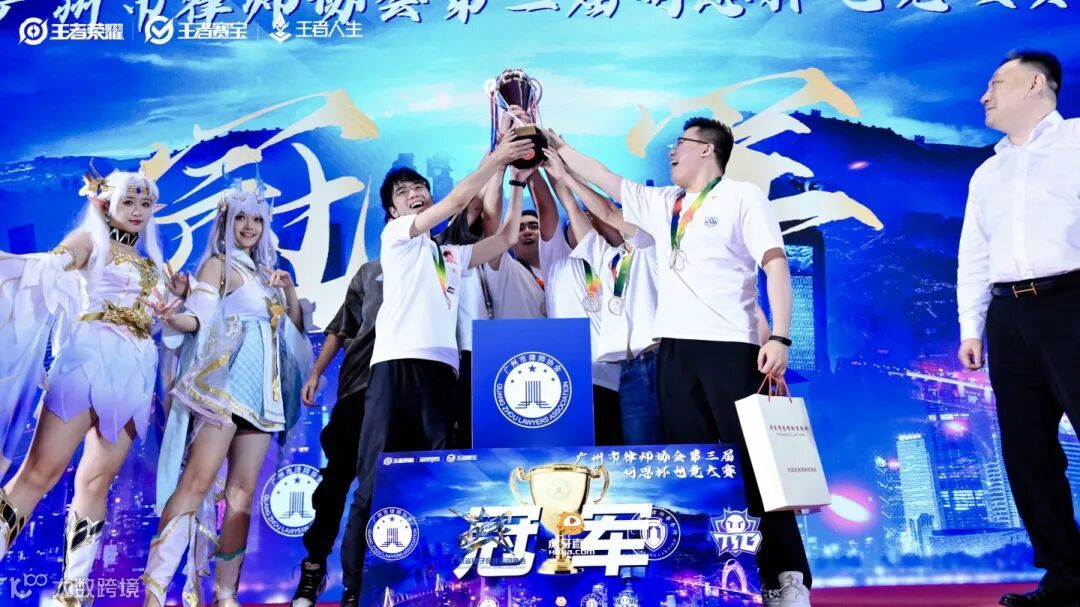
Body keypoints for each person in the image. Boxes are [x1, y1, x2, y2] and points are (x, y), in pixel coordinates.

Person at [555, 116, 811, 606]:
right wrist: (556, 148)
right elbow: (605, 192)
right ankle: (711, 579)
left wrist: (780, 335)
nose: (671, 152)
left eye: (680, 144)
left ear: (707, 150)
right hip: (673, 352)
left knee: (755, 466)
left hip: (730, 347)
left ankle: (786, 576)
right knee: (694, 468)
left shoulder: (742, 197)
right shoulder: (664, 205)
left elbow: (774, 262)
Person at [337, 136, 533, 607]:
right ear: (392, 211)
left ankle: (439, 586)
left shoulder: (449, 255)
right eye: (404, 193)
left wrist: (517, 184)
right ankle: (354, 590)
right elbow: (456, 201)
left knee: (442, 478)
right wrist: (496, 159)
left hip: (442, 373)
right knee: (373, 479)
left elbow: (505, 239)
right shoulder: (397, 238)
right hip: (394, 368)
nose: (415, 194)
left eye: (420, 188)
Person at [0, 170, 185, 606]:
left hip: (135, 370)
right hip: (87, 360)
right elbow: (50, 267)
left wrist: (173, 305)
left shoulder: (153, 264)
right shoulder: (89, 240)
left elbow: (165, 324)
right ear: (105, 204)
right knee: (39, 473)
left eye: (145, 204)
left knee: (97, 482)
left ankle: (73, 594)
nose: (137, 211)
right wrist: (42, 264)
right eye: (129, 202)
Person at [143, 183, 314, 607]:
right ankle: (155, 593)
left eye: (257, 219)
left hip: (262, 399)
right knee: (197, 482)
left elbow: (293, 332)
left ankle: (225, 596)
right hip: (222, 391)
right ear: (226, 222)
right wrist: (174, 318)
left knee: (241, 495)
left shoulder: (267, 275)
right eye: (241, 218)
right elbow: (197, 319)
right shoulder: (217, 266)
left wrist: (289, 290)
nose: (249, 226)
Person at [957, 49, 1080, 607]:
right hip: (1008, 314)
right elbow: (974, 254)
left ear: (1036, 84)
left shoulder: (1076, 142)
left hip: (1072, 302)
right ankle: (1067, 579)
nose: (985, 96)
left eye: (996, 83)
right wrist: (972, 327)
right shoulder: (988, 172)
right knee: (1027, 453)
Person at [543, 148, 663, 444]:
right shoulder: (606, 259)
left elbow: (606, 210)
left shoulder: (651, 247)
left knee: (683, 444)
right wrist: (557, 173)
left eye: (613, 216)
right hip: (628, 371)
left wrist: (571, 176)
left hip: (662, 362)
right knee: (640, 453)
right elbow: (571, 208)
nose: (599, 220)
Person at [290, 259, 383, 607]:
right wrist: (316, 372)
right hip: (359, 384)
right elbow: (342, 326)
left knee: (390, 484)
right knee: (335, 481)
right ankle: (314, 567)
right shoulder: (371, 272)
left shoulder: (438, 262)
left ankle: (366, 583)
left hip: (408, 388)